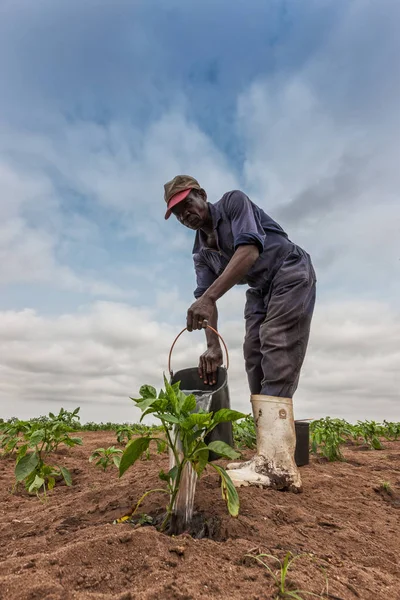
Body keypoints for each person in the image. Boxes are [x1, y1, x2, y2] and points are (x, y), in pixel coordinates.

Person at [163, 175, 316, 492]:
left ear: (202, 195)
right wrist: (212, 347)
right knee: (254, 356)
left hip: (288, 269)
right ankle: (266, 456)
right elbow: (205, 296)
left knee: (276, 342)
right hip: (260, 289)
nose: (184, 215)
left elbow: (249, 251)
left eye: (186, 204)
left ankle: (279, 468)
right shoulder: (201, 252)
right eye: (176, 213)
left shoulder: (234, 203)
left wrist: (207, 299)